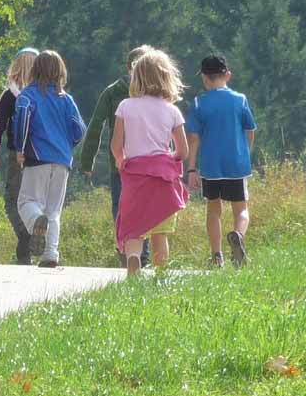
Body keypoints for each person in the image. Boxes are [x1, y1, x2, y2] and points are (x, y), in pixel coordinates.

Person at [111, 48, 190, 277]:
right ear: (167, 77)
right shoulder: (172, 111)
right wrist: (169, 160)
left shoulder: (125, 106)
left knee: (134, 228)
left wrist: (121, 160)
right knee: (160, 232)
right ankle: (161, 273)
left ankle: (134, 259)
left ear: (136, 77)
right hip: (162, 178)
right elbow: (182, 151)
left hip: (135, 176)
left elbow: (117, 145)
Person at [78, 45, 153, 267]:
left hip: (120, 163)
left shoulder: (113, 91)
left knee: (121, 208)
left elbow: (95, 126)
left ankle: (129, 250)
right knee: (145, 207)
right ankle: (141, 254)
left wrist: (87, 161)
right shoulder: (155, 93)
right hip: (145, 164)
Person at [12, 50, 87, 268]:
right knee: (54, 210)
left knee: (27, 202)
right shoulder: (67, 100)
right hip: (62, 160)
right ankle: (51, 254)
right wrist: (67, 146)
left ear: (35, 70)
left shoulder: (27, 96)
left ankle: (36, 221)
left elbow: (23, 120)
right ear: (61, 72)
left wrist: (19, 148)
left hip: (37, 157)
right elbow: (79, 129)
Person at [185, 54, 256, 268]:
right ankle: (238, 235)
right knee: (241, 209)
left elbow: (194, 138)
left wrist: (191, 169)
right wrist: (246, 152)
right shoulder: (240, 99)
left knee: (213, 210)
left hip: (211, 166)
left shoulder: (199, 102)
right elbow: (250, 130)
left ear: (205, 79)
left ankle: (217, 256)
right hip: (237, 163)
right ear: (228, 75)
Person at [0, 47, 40, 265]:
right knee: (34, 200)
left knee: (12, 200)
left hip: (17, 154)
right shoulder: (44, 94)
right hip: (42, 155)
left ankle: (25, 236)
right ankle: (31, 245)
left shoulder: (9, 96)